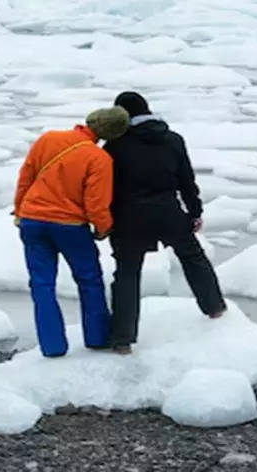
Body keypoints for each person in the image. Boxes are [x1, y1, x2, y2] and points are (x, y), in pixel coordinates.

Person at [104, 91, 225, 355]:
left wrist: (105, 219)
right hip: (168, 211)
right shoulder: (172, 139)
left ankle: (122, 340)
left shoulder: (115, 145)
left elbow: (106, 188)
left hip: (128, 217)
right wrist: (195, 211)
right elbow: (186, 179)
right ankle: (215, 309)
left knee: (127, 274)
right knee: (193, 258)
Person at [13, 107, 131, 357]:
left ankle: (52, 346)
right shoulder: (99, 159)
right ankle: (97, 337)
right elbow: (96, 203)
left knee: (41, 285)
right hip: (70, 226)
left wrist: (19, 211)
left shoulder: (48, 138)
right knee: (89, 281)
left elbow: (26, 177)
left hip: (32, 221)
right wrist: (103, 229)